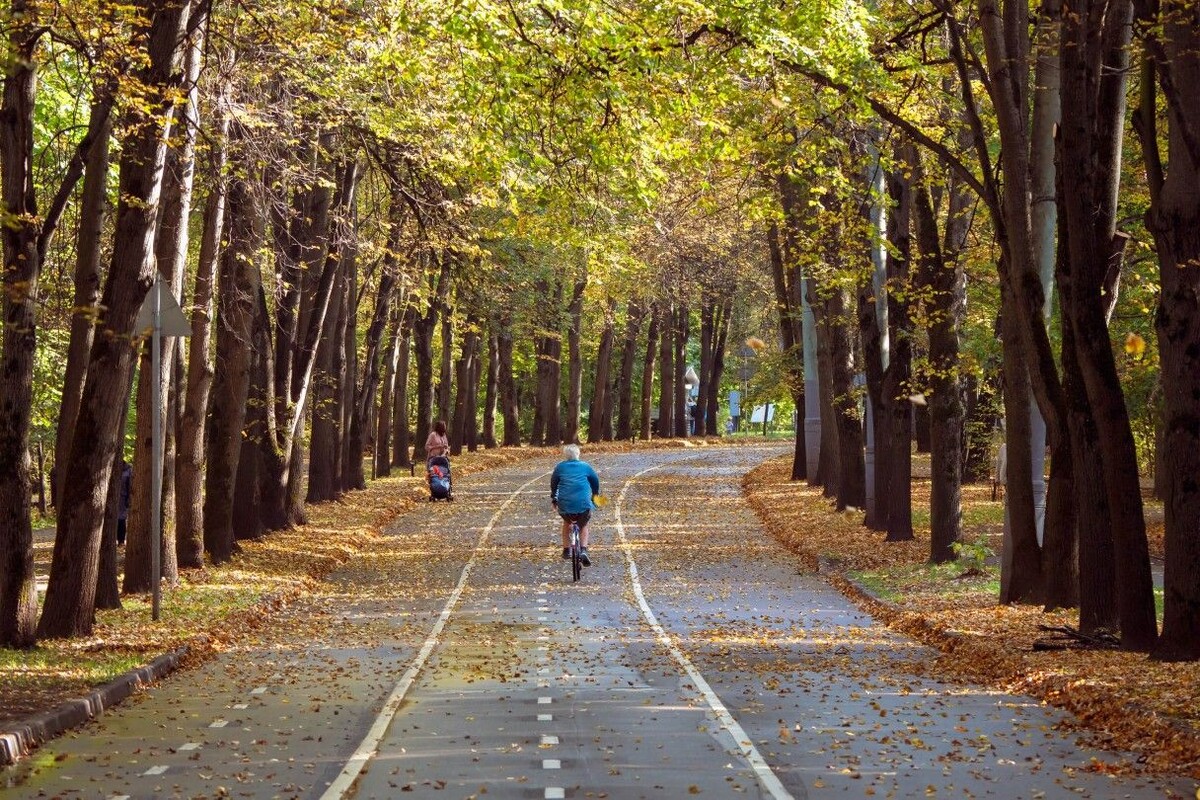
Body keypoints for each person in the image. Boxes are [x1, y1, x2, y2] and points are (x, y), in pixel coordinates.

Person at [550, 444, 600, 567]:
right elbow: (595, 481)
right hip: (583, 505)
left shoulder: (560, 467)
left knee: (567, 523)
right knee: (584, 525)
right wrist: (595, 495)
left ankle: (566, 549)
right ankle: (583, 550)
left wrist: (554, 499)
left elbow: (553, 484)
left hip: (565, 505)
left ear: (565, 455)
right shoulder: (585, 466)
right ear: (578, 454)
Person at [117, 460, 132, 546]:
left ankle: (121, 540)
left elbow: (130, 485)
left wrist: (129, 499)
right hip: (114, 498)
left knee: (121, 519)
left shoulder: (129, 470)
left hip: (123, 498)